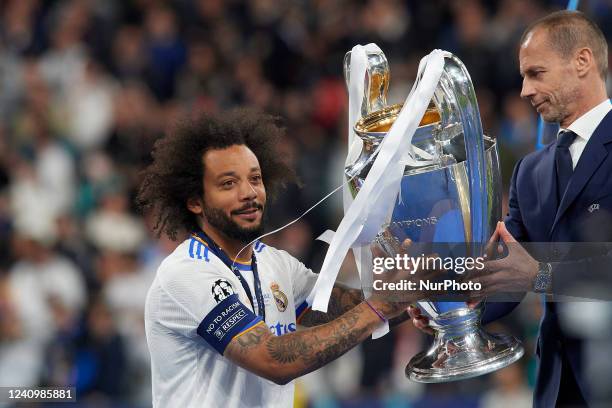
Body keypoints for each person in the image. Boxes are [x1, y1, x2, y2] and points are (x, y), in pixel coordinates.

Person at [136, 109, 426, 408]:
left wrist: (424, 294)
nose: (248, 193)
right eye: (228, 184)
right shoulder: (186, 272)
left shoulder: (275, 263)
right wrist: (381, 306)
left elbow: (341, 309)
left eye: (255, 179)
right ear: (195, 201)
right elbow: (273, 359)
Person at [409, 10, 612, 407]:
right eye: (523, 76)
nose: (523, 90)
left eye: (536, 73)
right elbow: (507, 271)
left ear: (583, 62)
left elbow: (535, 272)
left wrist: (540, 273)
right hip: (557, 387)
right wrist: (447, 305)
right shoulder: (529, 170)